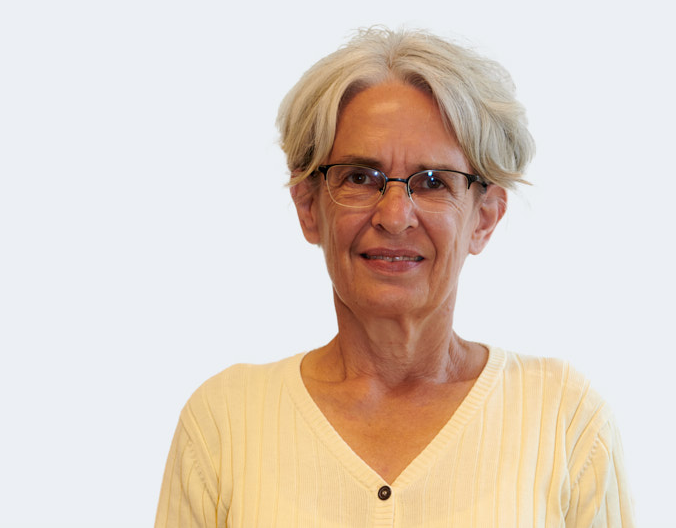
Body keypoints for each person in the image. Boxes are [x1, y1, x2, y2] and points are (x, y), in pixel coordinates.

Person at [155, 27, 635, 527]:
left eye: (433, 182)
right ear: (308, 207)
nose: (394, 215)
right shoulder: (223, 424)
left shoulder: (565, 421)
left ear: (485, 217)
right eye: (360, 178)